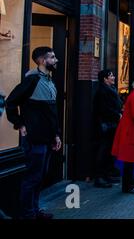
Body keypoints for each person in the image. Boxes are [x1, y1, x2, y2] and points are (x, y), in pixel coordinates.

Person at [6, 46, 62, 219]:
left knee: (39, 177)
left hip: (47, 138)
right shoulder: (32, 81)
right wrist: (20, 124)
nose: (56, 60)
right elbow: (11, 102)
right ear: (42, 61)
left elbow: (51, 113)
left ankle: (35, 211)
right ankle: (28, 214)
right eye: (52, 57)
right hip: (34, 139)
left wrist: (56, 135)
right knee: (32, 178)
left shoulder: (49, 81)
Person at [93, 69, 123, 188]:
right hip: (104, 126)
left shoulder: (111, 89)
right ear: (105, 79)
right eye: (111, 75)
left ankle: (106, 174)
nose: (114, 77)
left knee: (108, 151)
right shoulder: (102, 91)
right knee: (103, 151)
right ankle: (99, 177)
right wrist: (117, 115)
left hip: (110, 125)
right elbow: (103, 109)